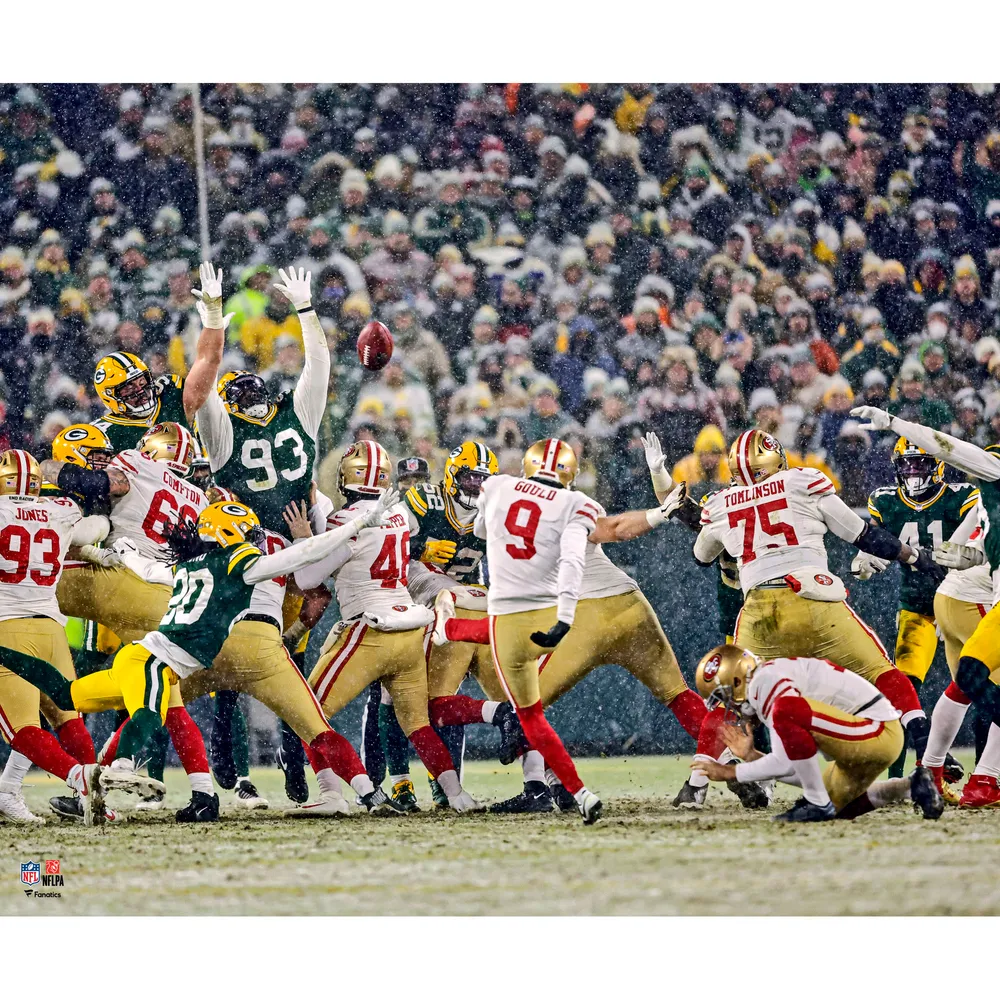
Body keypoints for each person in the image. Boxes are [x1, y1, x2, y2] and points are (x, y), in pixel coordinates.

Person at [11, 496, 403, 821]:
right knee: (312, 727)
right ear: (232, 535)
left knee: (84, 698)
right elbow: (301, 559)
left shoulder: (184, 565)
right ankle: (367, 794)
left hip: (168, 657)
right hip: (225, 651)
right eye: (246, 534)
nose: (253, 539)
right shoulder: (242, 563)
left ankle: (118, 783)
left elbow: (148, 568)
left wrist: (121, 551)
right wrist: (357, 524)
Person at [689, 427, 946, 811]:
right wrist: (915, 558)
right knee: (883, 673)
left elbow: (702, 555)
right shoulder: (801, 481)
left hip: (760, 611)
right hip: (815, 600)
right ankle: (925, 748)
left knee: (738, 693)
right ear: (775, 457)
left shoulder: (723, 503)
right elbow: (864, 536)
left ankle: (715, 780)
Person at [297, 440, 481, 813]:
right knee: (417, 722)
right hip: (410, 628)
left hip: (371, 630)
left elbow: (306, 577)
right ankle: (458, 794)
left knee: (307, 712)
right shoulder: (398, 513)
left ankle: (346, 794)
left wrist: (304, 537)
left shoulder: (346, 521)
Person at [851, 403, 1000, 808]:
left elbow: (974, 533)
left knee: (967, 686)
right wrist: (871, 558)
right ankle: (952, 777)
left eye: (921, 466)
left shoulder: (968, 494)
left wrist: (970, 553)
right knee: (930, 685)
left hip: (961, 595)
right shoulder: (889, 499)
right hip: (939, 602)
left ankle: (942, 771)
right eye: (908, 466)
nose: (914, 474)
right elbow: (949, 450)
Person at [0, 448, 155, 825]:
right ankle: (91, 794)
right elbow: (98, 526)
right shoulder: (59, 511)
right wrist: (87, 548)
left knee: (22, 730)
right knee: (67, 718)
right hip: (49, 627)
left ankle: (79, 779)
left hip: (7, 626)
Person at [691, 644, 943, 822]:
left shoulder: (765, 683)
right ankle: (911, 787)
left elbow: (784, 762)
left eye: (725, 698)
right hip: (870, 734)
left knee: (786, 711)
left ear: (737, 682)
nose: (731, 708)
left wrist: (730, 771)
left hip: (876, 730)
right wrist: (751, 757)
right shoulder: (767, 680)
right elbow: (797, 769)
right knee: (838, 806)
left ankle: (816, 804)